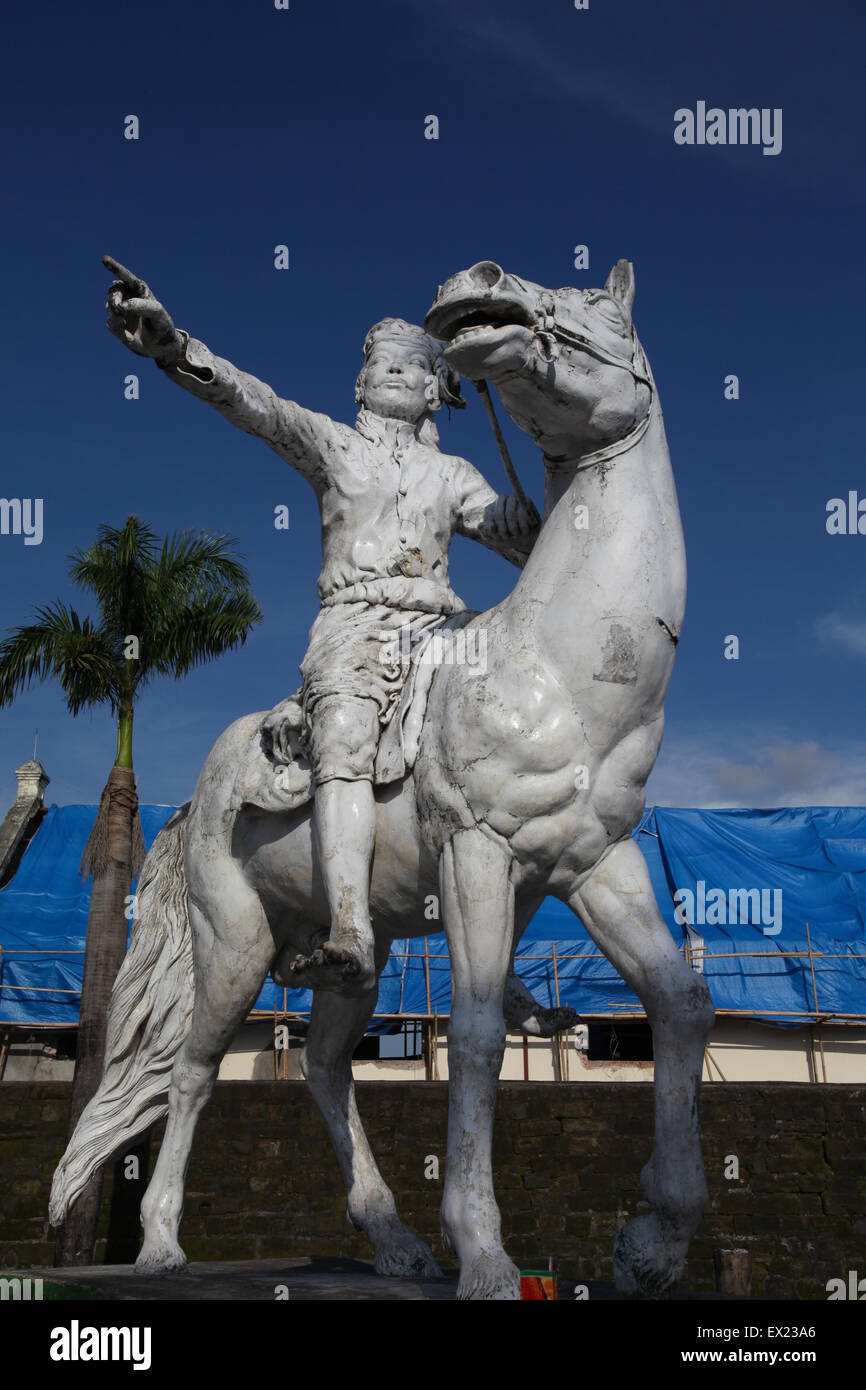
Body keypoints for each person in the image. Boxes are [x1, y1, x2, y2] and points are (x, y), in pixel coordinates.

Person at [104, 257, 540, 992]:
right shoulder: (335, 447)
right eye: (383, 364)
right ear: (361, 383)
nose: (398, 373)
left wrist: (527, 518)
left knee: (516, 736)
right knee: (342, 729)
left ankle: (498, 958)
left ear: (438, 389)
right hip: (356, 627)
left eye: (415, 365)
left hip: (444, 631)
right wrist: (175, 348)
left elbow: (509, 535)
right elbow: (259, 406)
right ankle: (349, 923)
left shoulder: (455, 474)